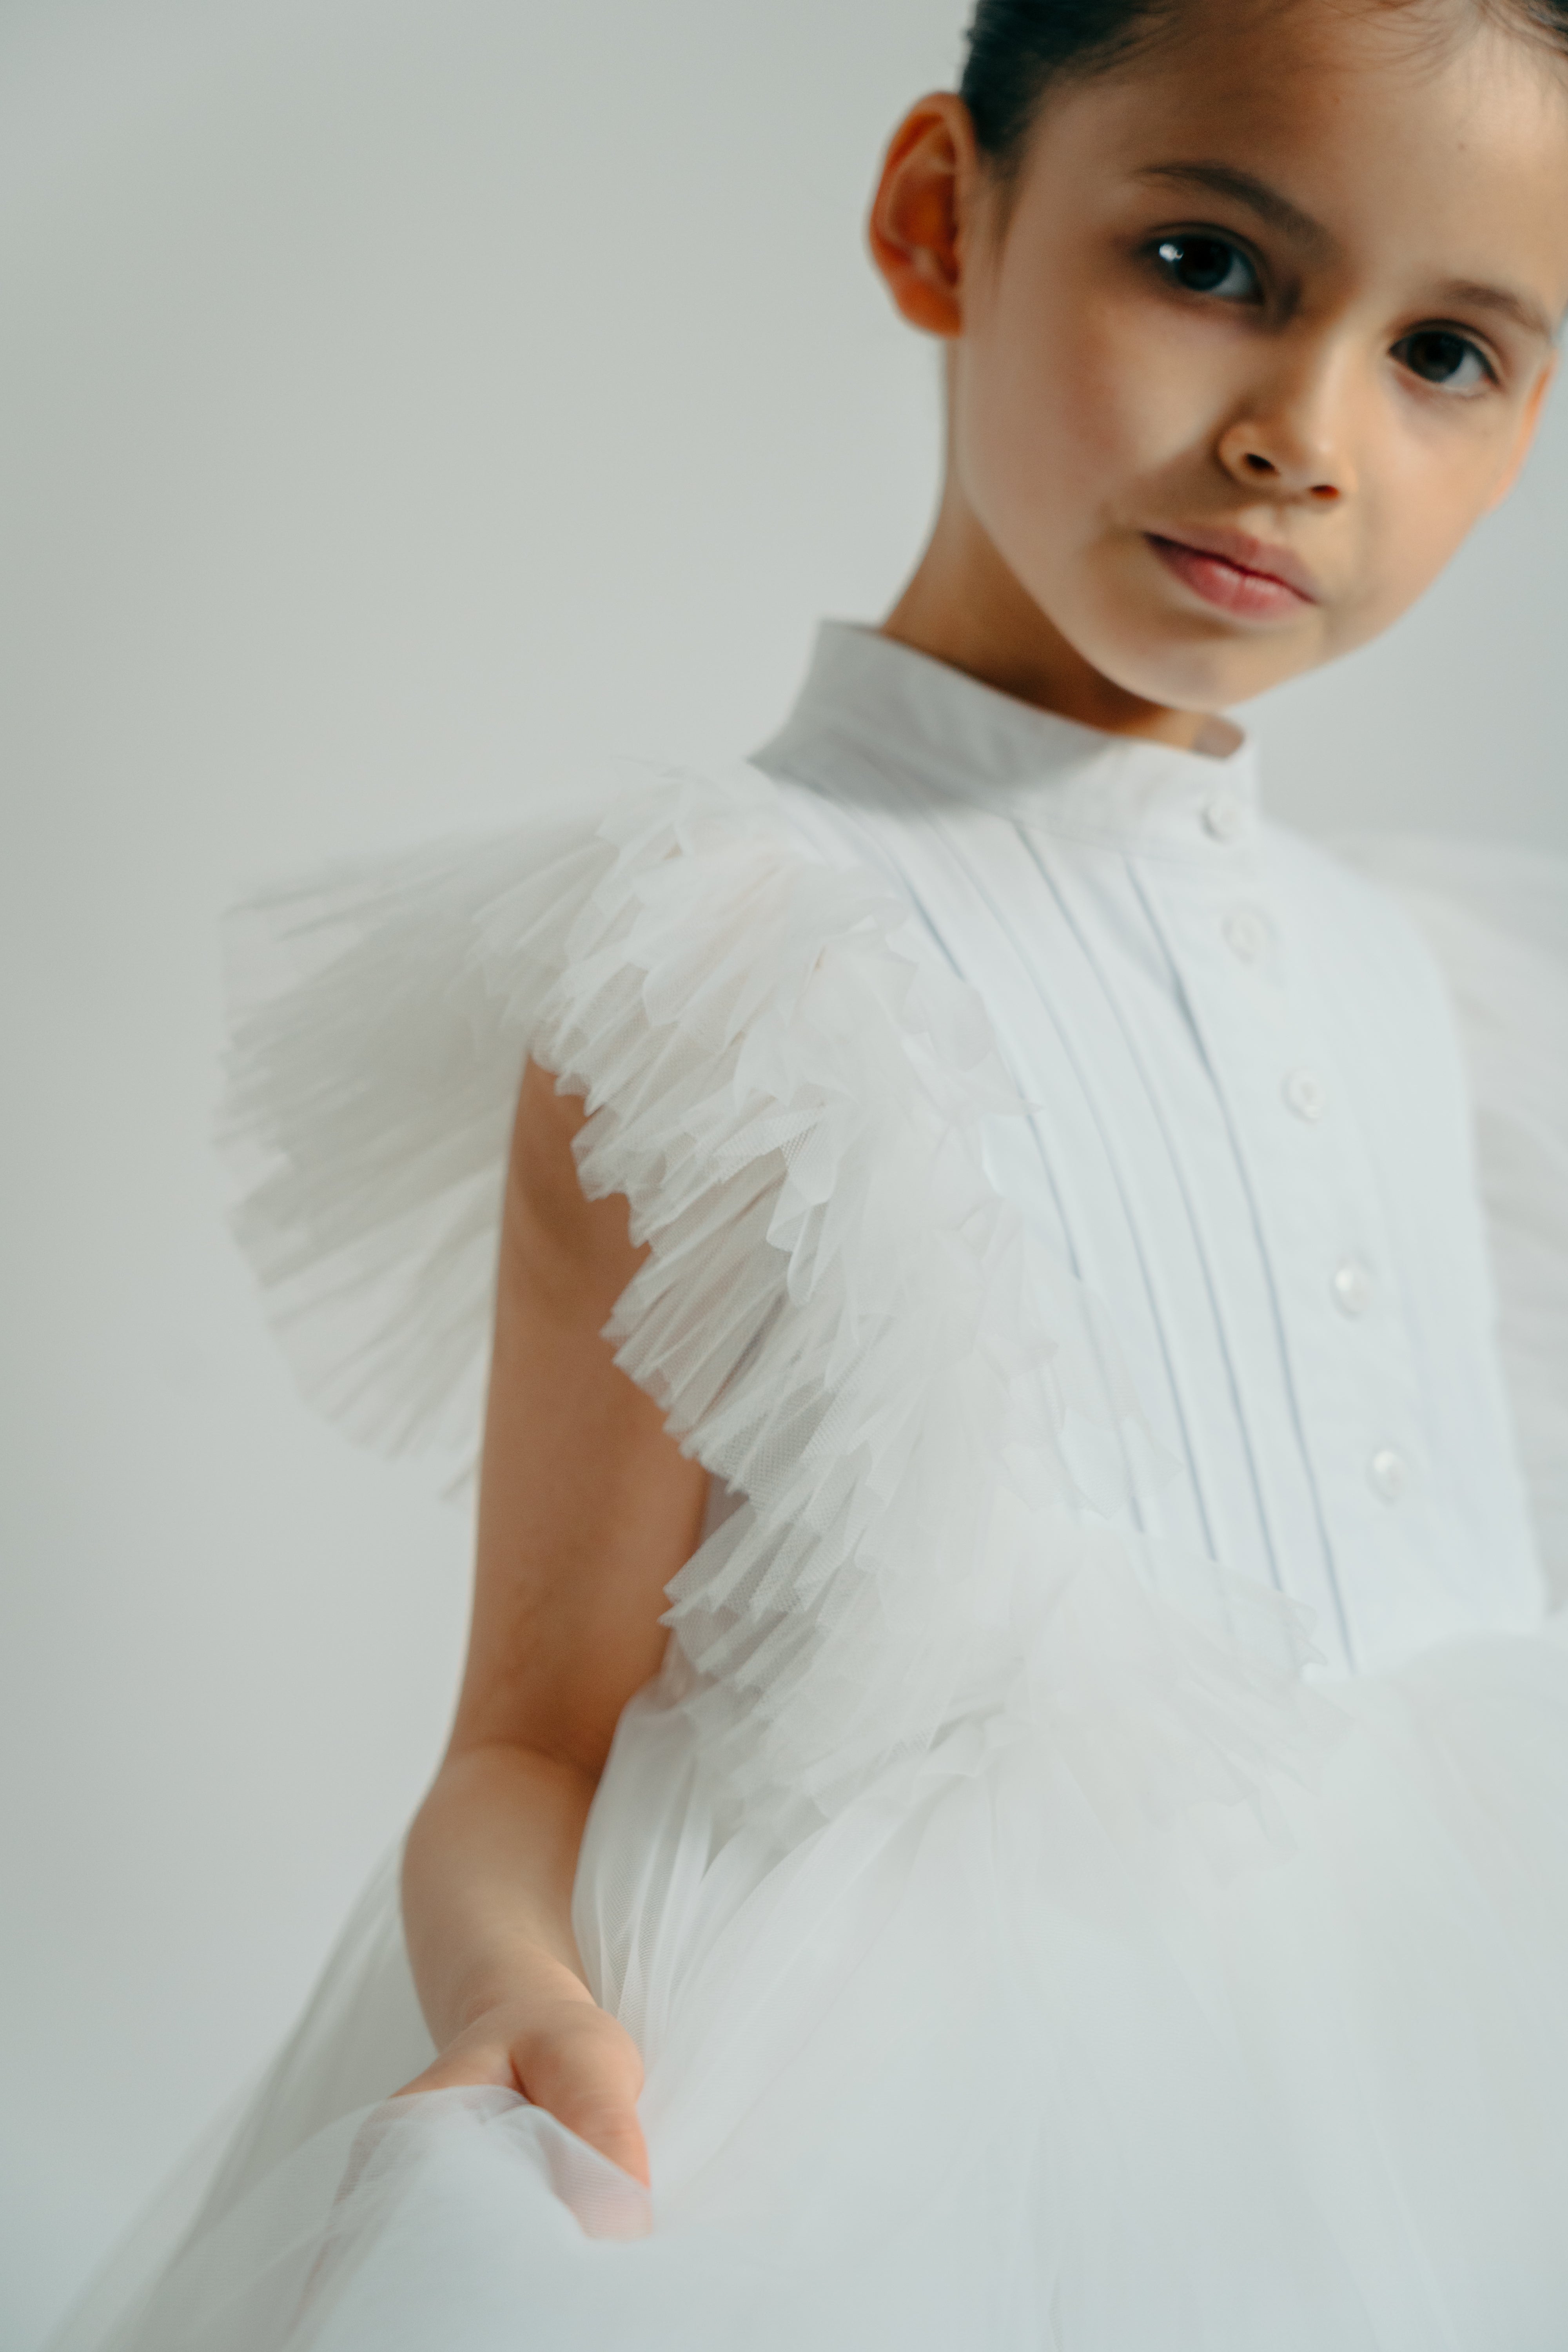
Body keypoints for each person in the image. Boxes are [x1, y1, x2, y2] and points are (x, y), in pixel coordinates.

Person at [54, 0, 1568, 2344]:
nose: (1304, 434)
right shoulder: (728, 975)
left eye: (1449, 354)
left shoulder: (1443, 1011)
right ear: (942, 216)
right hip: (885, 2170)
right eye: (1209, 261)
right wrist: (517, 1998)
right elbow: (529, 1740)